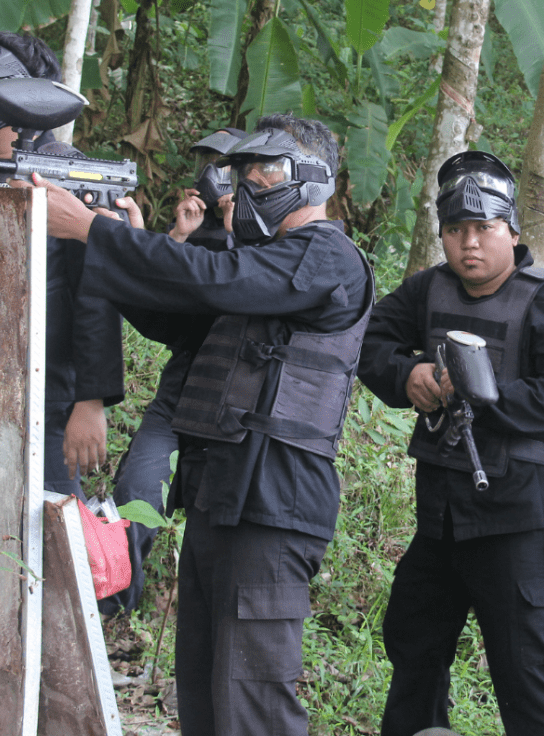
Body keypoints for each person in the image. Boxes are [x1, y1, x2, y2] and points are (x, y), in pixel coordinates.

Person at [32, 113, 374, 736]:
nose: (247, 186)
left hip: (276, 497)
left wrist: (94, 234)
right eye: (242, 173)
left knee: (254, 699)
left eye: (265, 171)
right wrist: (111, 239)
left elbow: (212, 278)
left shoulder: (327, 256)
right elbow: (176, 319)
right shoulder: (261, 263)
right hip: (222, 492)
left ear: (313, 181)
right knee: (204, 688)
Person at [358, 151, 544, 736]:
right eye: (456, 230)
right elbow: (368, 341)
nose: (469, 244)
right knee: (413, 648)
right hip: (439, 519)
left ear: (512, 232)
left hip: (516, 519)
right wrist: (408, 373)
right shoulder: (427, 291)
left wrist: (480, 395)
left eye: (484, 229)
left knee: (529, 673)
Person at [0, 31, 126, 498]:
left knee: (51, 517)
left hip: (49, 388)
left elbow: (98, 293)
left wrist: (90, 401)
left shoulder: (69, 176)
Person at [107, 127, 245, 615]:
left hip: (234, 410)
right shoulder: (192, 232)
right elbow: (157, 308)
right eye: (207, 162)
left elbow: (242, 295)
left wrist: (237, 234)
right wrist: (178, 235)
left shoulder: (268, 241)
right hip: (179, 396)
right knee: (134, 497)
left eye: (224, 165)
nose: (212, 175)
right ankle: (113, 610)